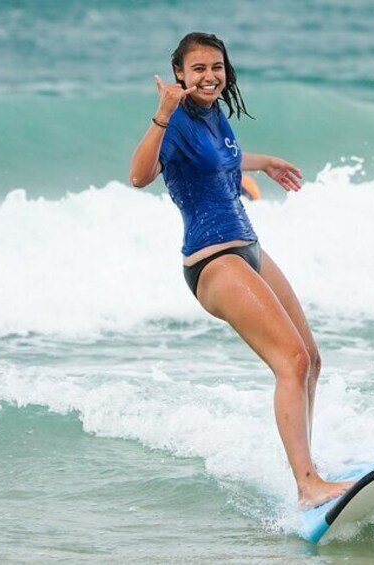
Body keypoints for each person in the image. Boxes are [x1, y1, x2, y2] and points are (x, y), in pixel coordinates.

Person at [129, 32, 353, 509]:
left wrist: (264, 161)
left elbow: (220, 161)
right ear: (179, 77)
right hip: (213, 261)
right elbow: (139, 175)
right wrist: (162, 113)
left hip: (248, 248)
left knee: (310, 360)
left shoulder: (216, 115)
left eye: (216, 67)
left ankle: (309, 469)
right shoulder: (176, 123)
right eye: (198, 69)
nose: (209, 76)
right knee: (289, 361)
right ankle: (307, 486)